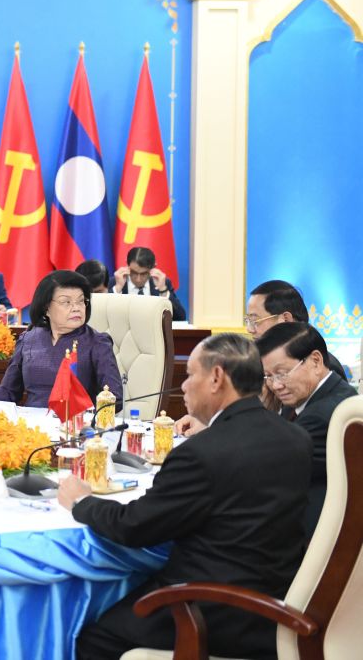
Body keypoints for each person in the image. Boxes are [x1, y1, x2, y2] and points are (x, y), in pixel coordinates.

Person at [61, 333, 313, 660]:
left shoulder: (201, 453)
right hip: (276, 601)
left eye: (190, 374)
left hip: (210, 609)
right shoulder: (296, 437)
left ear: (216, 378)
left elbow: (135, 527)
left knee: (94, 639)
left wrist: (82, 501)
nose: (183, 386)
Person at [0, 270, 120, 407]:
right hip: (32, 426)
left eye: (81, 301)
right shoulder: (28, 339)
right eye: (66, 302)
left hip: (74, 429)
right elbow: (9, 391)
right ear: (46, 308)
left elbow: (115, 399)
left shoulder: (97, 343)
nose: (76, 308)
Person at [254, 323, 353, 537]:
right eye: (267, 376)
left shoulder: (322, 416)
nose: (275, 385)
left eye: (281, 373)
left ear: (315, 361)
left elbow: (267, 467)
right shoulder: (305, 396)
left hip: (304, 538)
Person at [246, 280, 347, 380]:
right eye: (248, 321)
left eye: (255, 320)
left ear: (285, 319)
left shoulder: (324, 367)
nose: (249, 329)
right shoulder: (260, 362)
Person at [112, 245, 187, 321]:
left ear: (153, 268)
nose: (138, 279)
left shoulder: (162, 283)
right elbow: (105, 317)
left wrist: (163, 291)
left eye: (144, 274)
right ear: (127, 266)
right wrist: (117, 289)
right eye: (134, 273)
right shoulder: (115, 282)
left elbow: (180, 317)